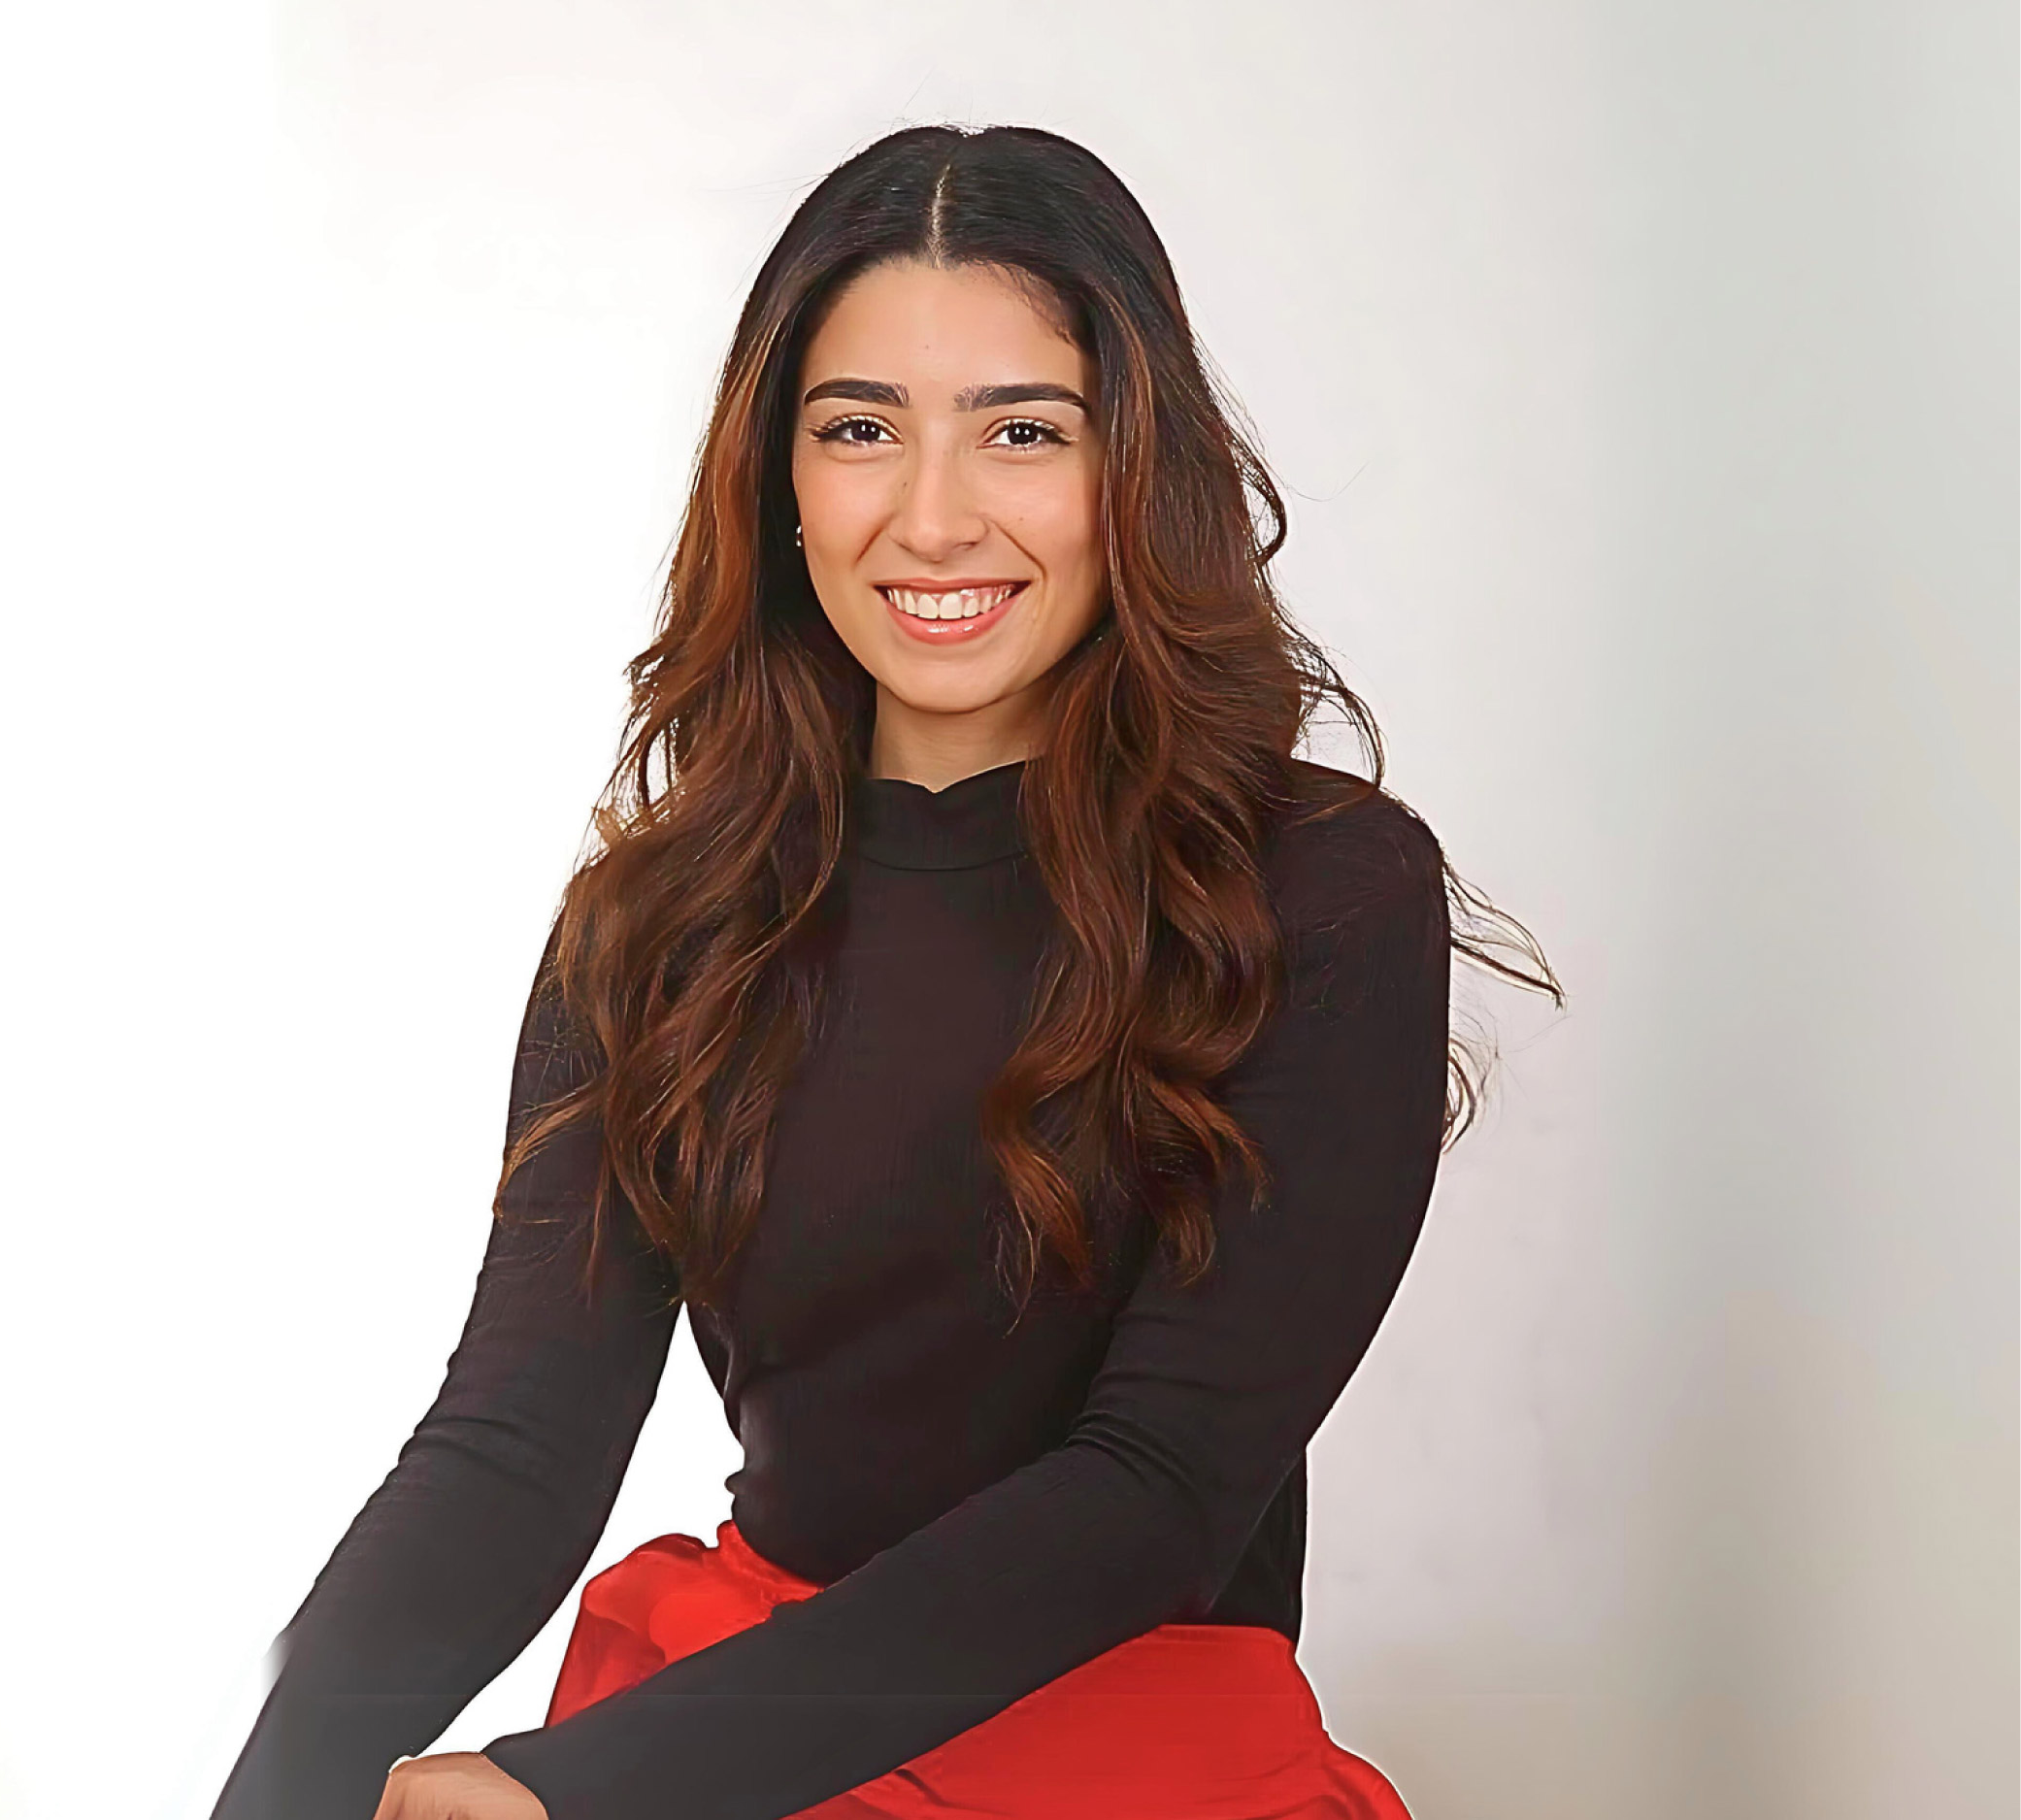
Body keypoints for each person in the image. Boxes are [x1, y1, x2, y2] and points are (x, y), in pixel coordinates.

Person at [211, 122, 1562, 1820]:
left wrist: (583, 1788)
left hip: (1112, 1764)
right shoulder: (655, 923)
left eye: (1022, 431)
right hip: (726, 1751)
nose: (932, 519)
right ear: (778, 480)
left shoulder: (1321, 891)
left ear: (1134, 469)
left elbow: (1153, 1491)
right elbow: (511, 1451)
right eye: (859, 429)